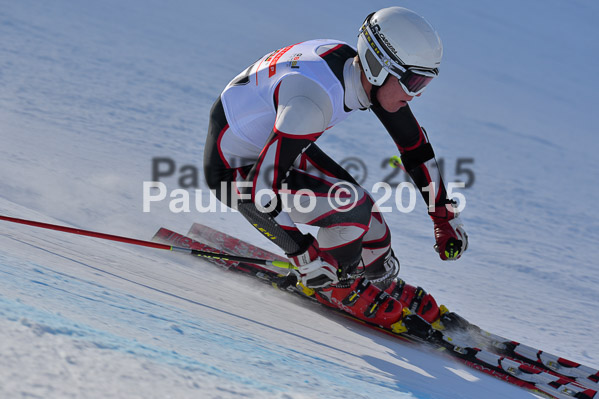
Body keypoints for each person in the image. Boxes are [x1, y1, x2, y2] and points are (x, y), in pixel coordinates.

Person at [204, 7, 468, 329]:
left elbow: (414, 148)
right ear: (378, 67)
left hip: (268, 145)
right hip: (235, 170)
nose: (418, 92)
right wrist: (303, 254)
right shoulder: (314, 101)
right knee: (351, 206)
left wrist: (442, 215)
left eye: (425, 80)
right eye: (413, 80)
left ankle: (372, 280)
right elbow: (257, 194)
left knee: (370, 220)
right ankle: (338, 286)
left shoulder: (360, 73)